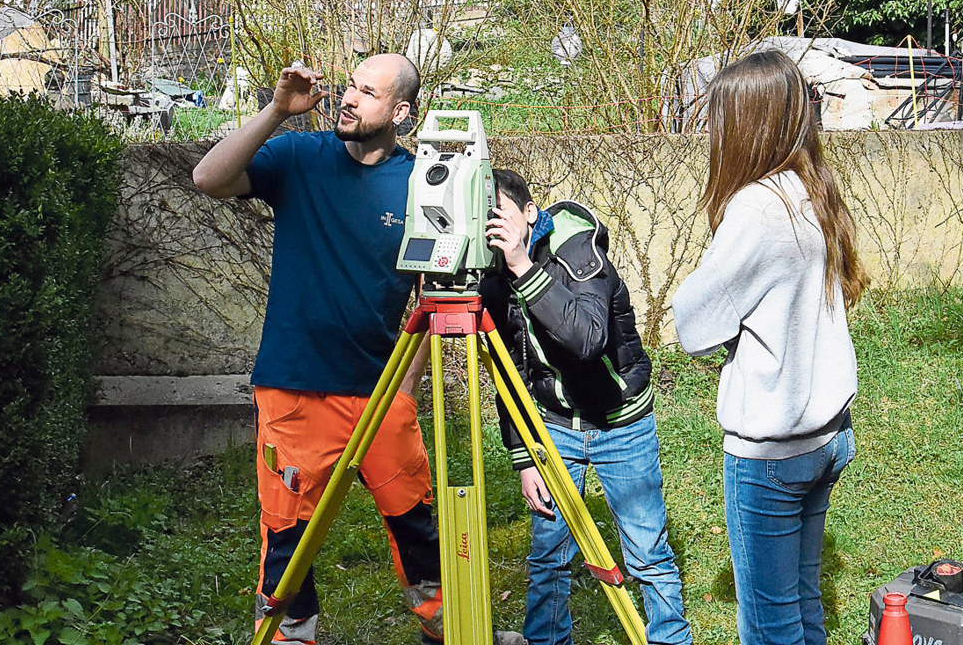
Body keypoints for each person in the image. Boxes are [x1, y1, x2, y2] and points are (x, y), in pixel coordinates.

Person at [192, 55, 444, 645]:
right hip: (295, 388)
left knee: (417, 523)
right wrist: (278, 110)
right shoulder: (300, 157)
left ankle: (446, 624)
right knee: (287, 536)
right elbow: (208, 178)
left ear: (400, 112)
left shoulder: (418, 183)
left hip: (380, 396)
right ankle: (291, 635)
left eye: (368, 92)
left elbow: (435, 298)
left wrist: (405, 390)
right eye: (349, 85)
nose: (349, 98)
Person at [671, 49, 869, 645]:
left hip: (773, 456)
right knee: (804, 608)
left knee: (770, 627)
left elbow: (692, 324)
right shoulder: (812, 190)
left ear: (746, 125)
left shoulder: (758, 209)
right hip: (828, 437)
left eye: (718, 119)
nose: (711, 133)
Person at [481, 169, 692, 645]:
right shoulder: (491, 275)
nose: (492, 223)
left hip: (621, 423)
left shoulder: (577, 249)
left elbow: (587, 339)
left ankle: (669, 638)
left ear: (529, 214)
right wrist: (522, 456)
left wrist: (521, 266)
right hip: (553, 426)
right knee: (548, 555)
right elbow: (506, 367)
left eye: (499, 210)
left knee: (646, 553)